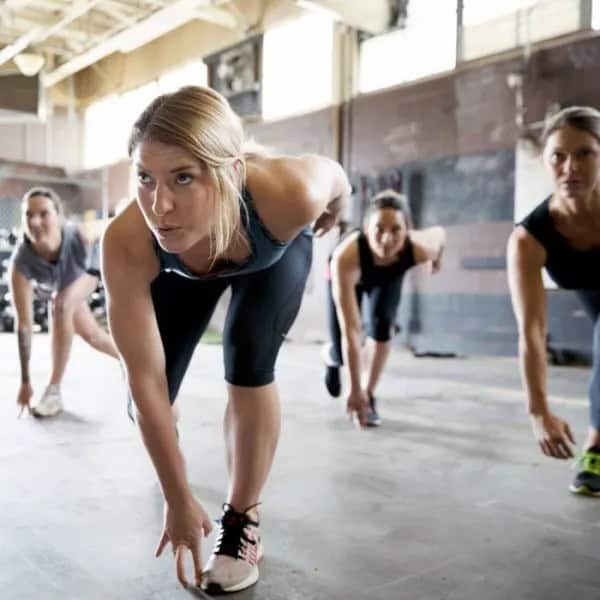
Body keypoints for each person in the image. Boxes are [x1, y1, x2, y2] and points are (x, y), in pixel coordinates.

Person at [101, 85, 350, 593]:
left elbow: (336, 176)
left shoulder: (290, 193)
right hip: (181, 270)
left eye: (183, 178)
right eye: (144, 177)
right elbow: (145, 381)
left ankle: (241, 523)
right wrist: (176, 496)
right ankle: (173, 463)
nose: (159, 204)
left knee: (248, 356)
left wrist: (334, 210)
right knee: (146, 398)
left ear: (230, 172)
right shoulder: (128, 239)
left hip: (267, 253)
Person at [507, 106, 600, 497]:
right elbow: (531, 333)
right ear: (544, 162)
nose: (570, 167)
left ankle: (595, 443)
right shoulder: (529, 240)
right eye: (558, 156)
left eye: (585, 154)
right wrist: (538, 411)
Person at [323, 189, 446, 426]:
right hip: (350, 274)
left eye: (396, 230)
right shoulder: (345, 257)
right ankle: (330, 356)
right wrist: (353, 388)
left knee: (382, 327)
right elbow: (352, 330)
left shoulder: (419, 248)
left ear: (408, 230)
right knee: (342, 346)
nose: (387, 239)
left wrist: (362, 393)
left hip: (388, 274)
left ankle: (370, 396)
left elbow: (440, 235)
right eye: (379, 229)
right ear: (366, 227)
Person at [9, 186, 118, 418]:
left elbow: (118, 223)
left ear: (58, 216)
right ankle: (137, 363)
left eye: (43, 214)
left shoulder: (81, 233)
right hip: (66, 286)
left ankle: (54, 391)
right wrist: (25, 381)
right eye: (29, 214)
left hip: (91, 272)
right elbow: (24, 326)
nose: (35, 221)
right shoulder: (21, 263)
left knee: (61, 305)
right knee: (93, 336)